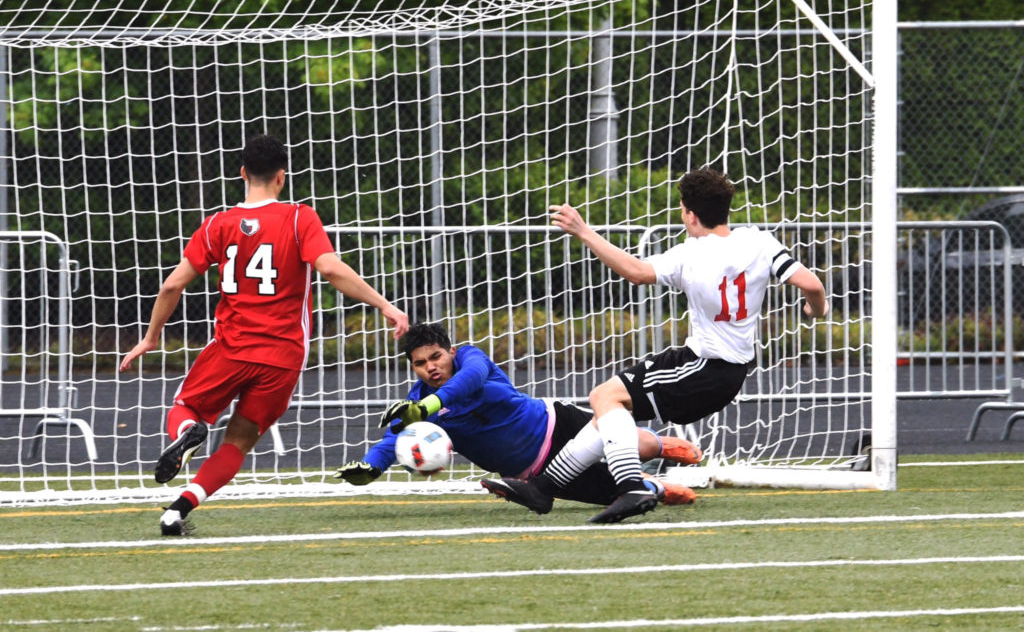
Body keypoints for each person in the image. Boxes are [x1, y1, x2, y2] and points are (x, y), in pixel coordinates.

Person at [489, 167, 830, 523]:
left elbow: (636, 272)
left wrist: (583, 231)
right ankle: (544, 487)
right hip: (718, 368)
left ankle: (631, 486)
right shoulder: (759, 241)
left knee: (605, 399)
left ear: (689, 213)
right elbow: (812, 285)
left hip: (706, 368)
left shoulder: (692, 254)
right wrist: (815, 310)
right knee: (609, 410)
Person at [119, 133, 409, 536]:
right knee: (238, 441)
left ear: (242, 173)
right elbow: (330, 269)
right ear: (281, 176)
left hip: (231, 347)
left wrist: (151, 338)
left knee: (185, 408)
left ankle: (188, 434)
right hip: (282, 357)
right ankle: (177, 511)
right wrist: (385, 305)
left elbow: (171, 286)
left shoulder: (218, 224)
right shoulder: (298, 217)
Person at [334, 322, 702, 508]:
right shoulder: (417, 403)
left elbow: (471, 381)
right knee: (618, 493)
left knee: (632, 443)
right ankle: (660, 487)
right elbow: (394, 437)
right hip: (533, 472)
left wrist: (427, 407)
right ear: (412, 367)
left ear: (450, 351)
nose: (430, 367)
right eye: (420, 363)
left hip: (554, 424)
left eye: (435, 357)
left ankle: (662, 445)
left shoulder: (471, 360)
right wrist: (371, 467)